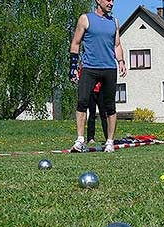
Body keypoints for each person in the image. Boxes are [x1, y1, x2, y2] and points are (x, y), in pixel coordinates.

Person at [69, 0, 126, 152]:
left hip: (109, 68)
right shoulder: (85, 19)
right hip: (89, 68)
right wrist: (73, 66)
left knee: (110, 107)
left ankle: (109, 141)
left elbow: (117, 44)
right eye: (108, 0)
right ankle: (81, 140)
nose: (111, 3)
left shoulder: (114, 21)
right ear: (98, 1)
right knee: (82, 102)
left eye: (113, 0)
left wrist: (121, 61)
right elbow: (75, 43)